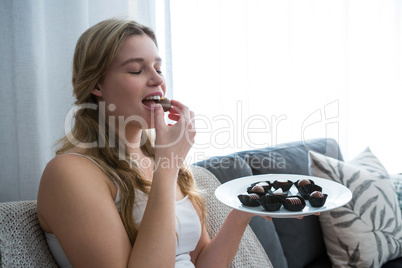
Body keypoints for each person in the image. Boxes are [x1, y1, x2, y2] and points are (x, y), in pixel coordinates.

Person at [37, 18, 272, 268]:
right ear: (96, 84)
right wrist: (167, 167)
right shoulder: (69, 172)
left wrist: (241, 213)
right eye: (137, 70)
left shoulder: (160, 159)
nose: (157, 80)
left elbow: (200, 262)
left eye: (158, 69)